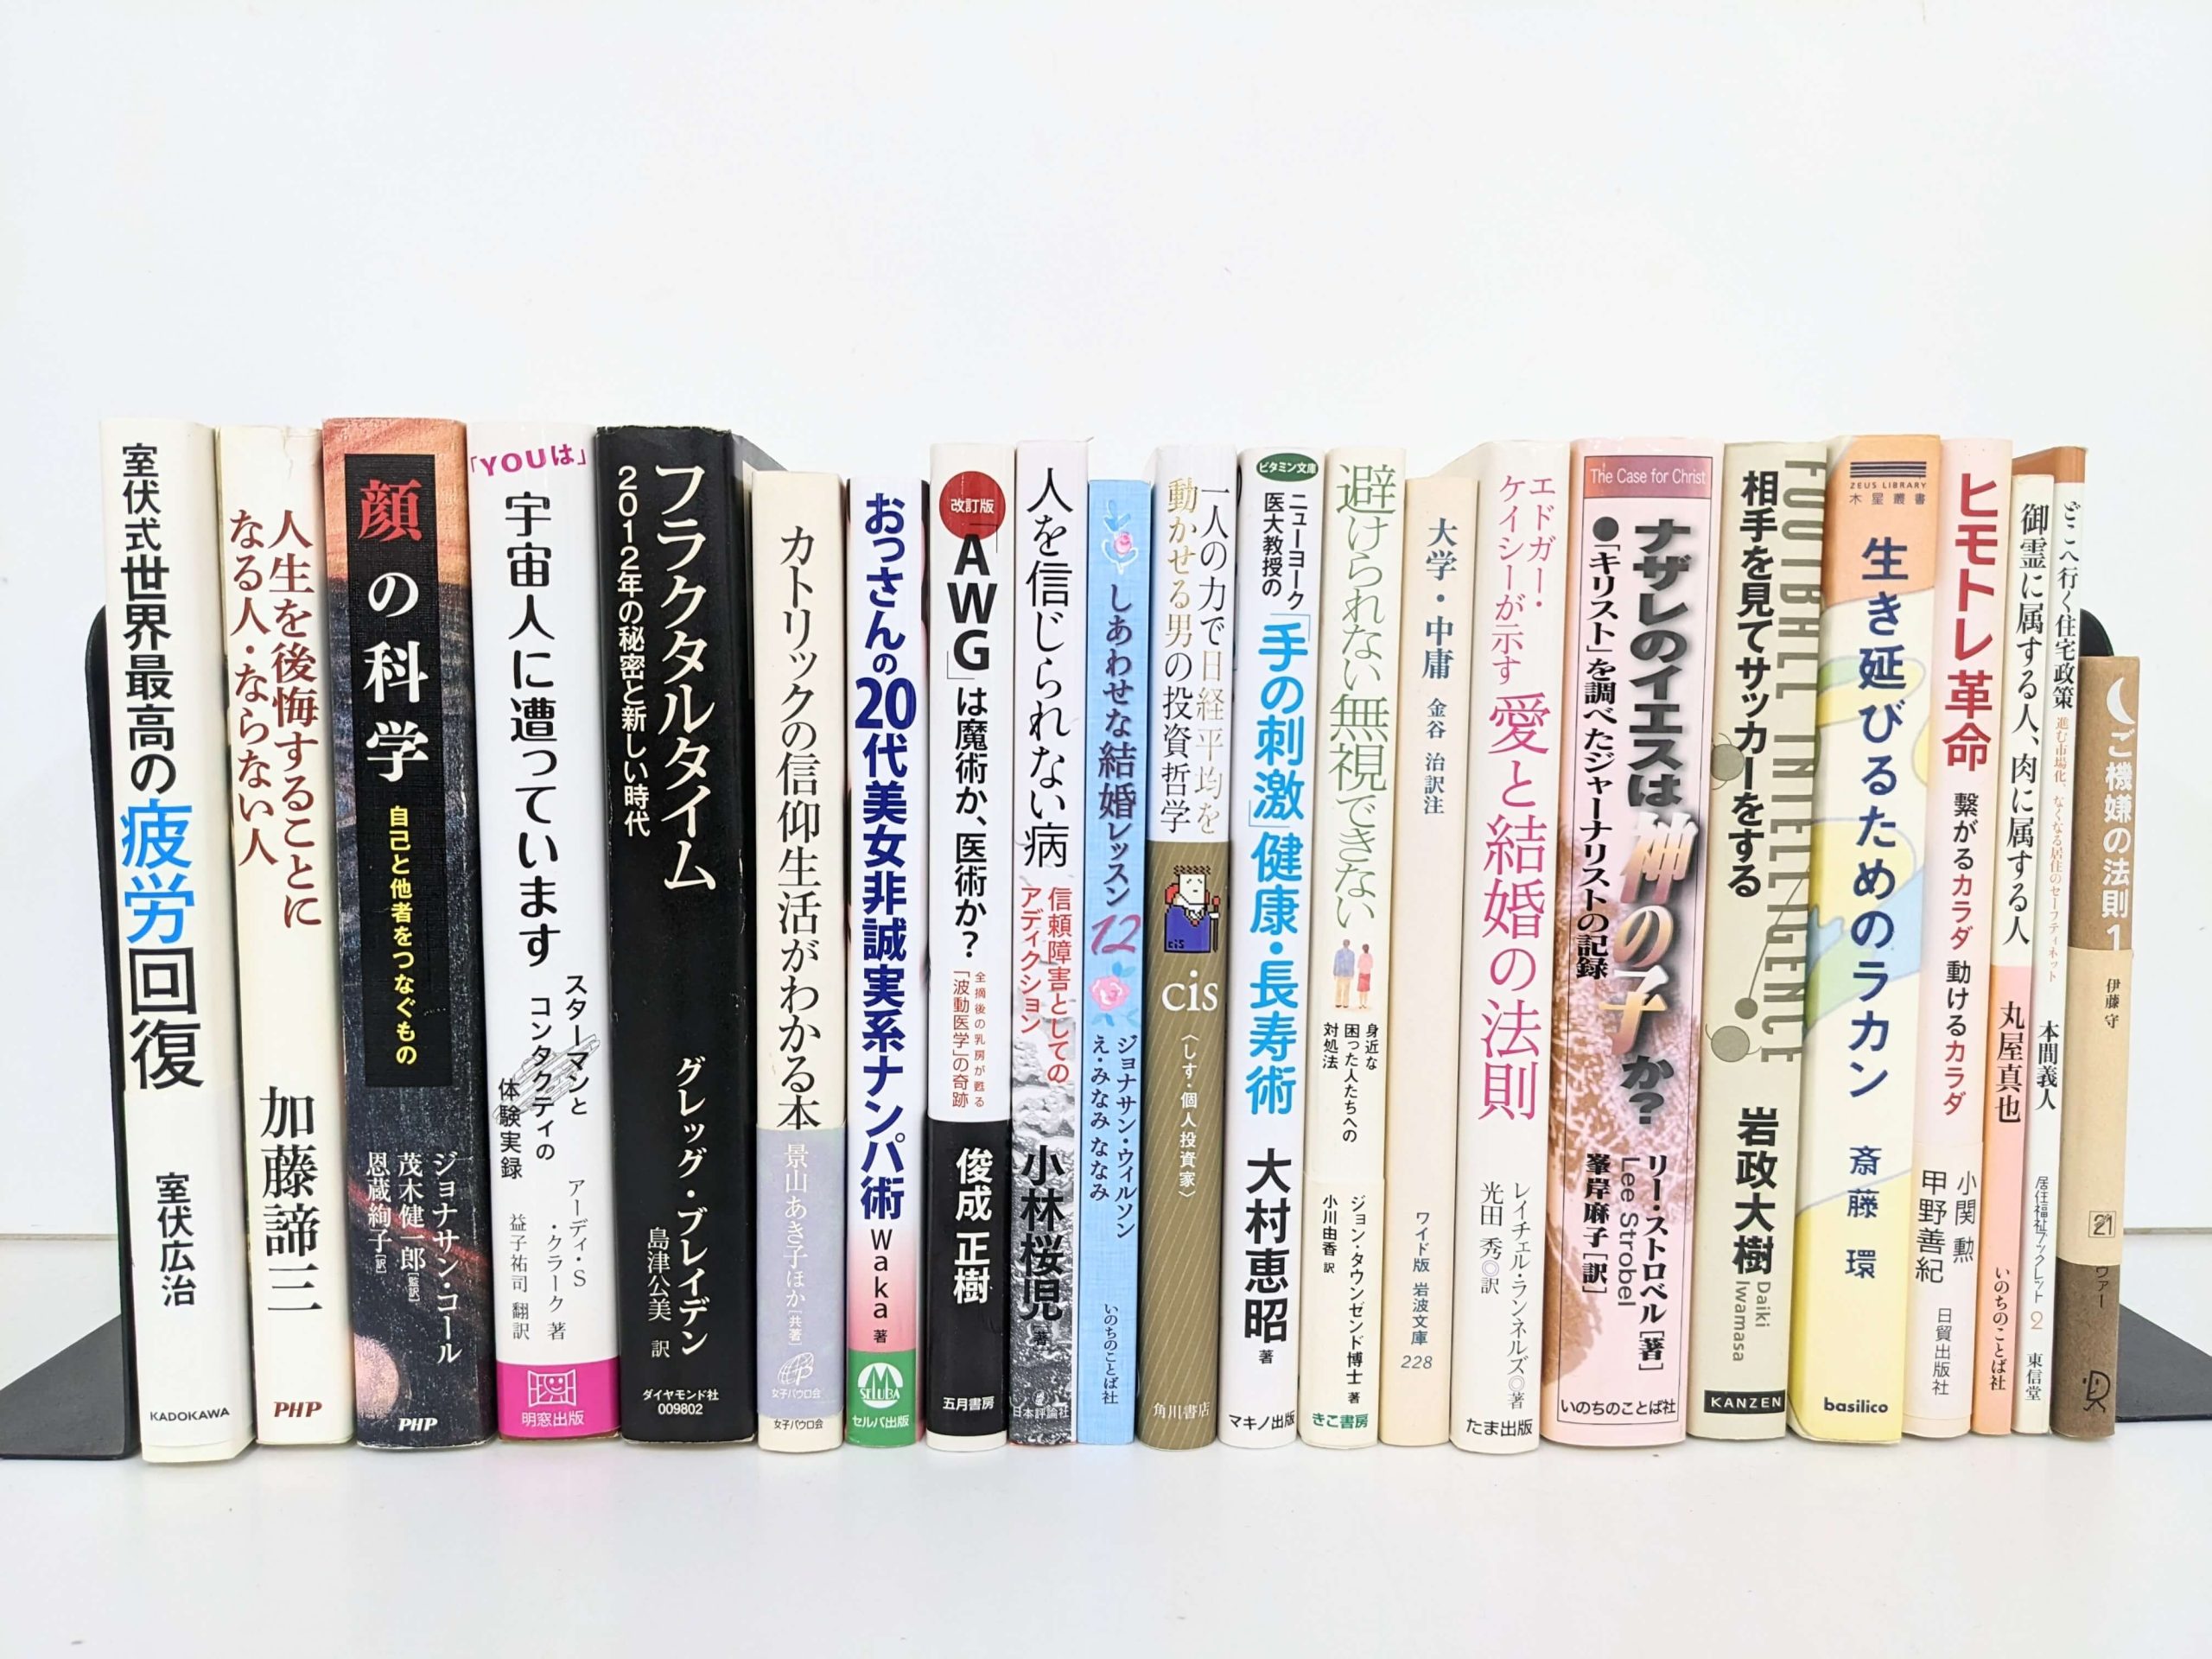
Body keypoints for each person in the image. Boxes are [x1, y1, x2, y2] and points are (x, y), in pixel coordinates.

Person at [1332, 937, 1355, 1008]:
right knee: (1340, 989)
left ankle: (1344, 1003)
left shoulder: (1351, 953)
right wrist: (1334, 972)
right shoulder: (1339, 952)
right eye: (1345, 943)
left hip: (1346, 974)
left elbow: (1352, 964)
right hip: (1340, 973)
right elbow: (1335, 962)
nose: (1346, 944)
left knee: (1345, 989)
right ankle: (1339, 1003)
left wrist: (1352, 973)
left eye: (1347, 943)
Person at [1356, 942, 1374, 1009]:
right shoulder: (1370, 956)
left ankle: (1361, 1004)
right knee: (1366, 990)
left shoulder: (1361, 956)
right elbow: (1371, 965)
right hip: (1367, 974)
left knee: (1361, 990)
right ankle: (1365, 1004)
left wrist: (1362, 966)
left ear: (1363, 949)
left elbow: (1358, 965)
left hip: (1362, 974)